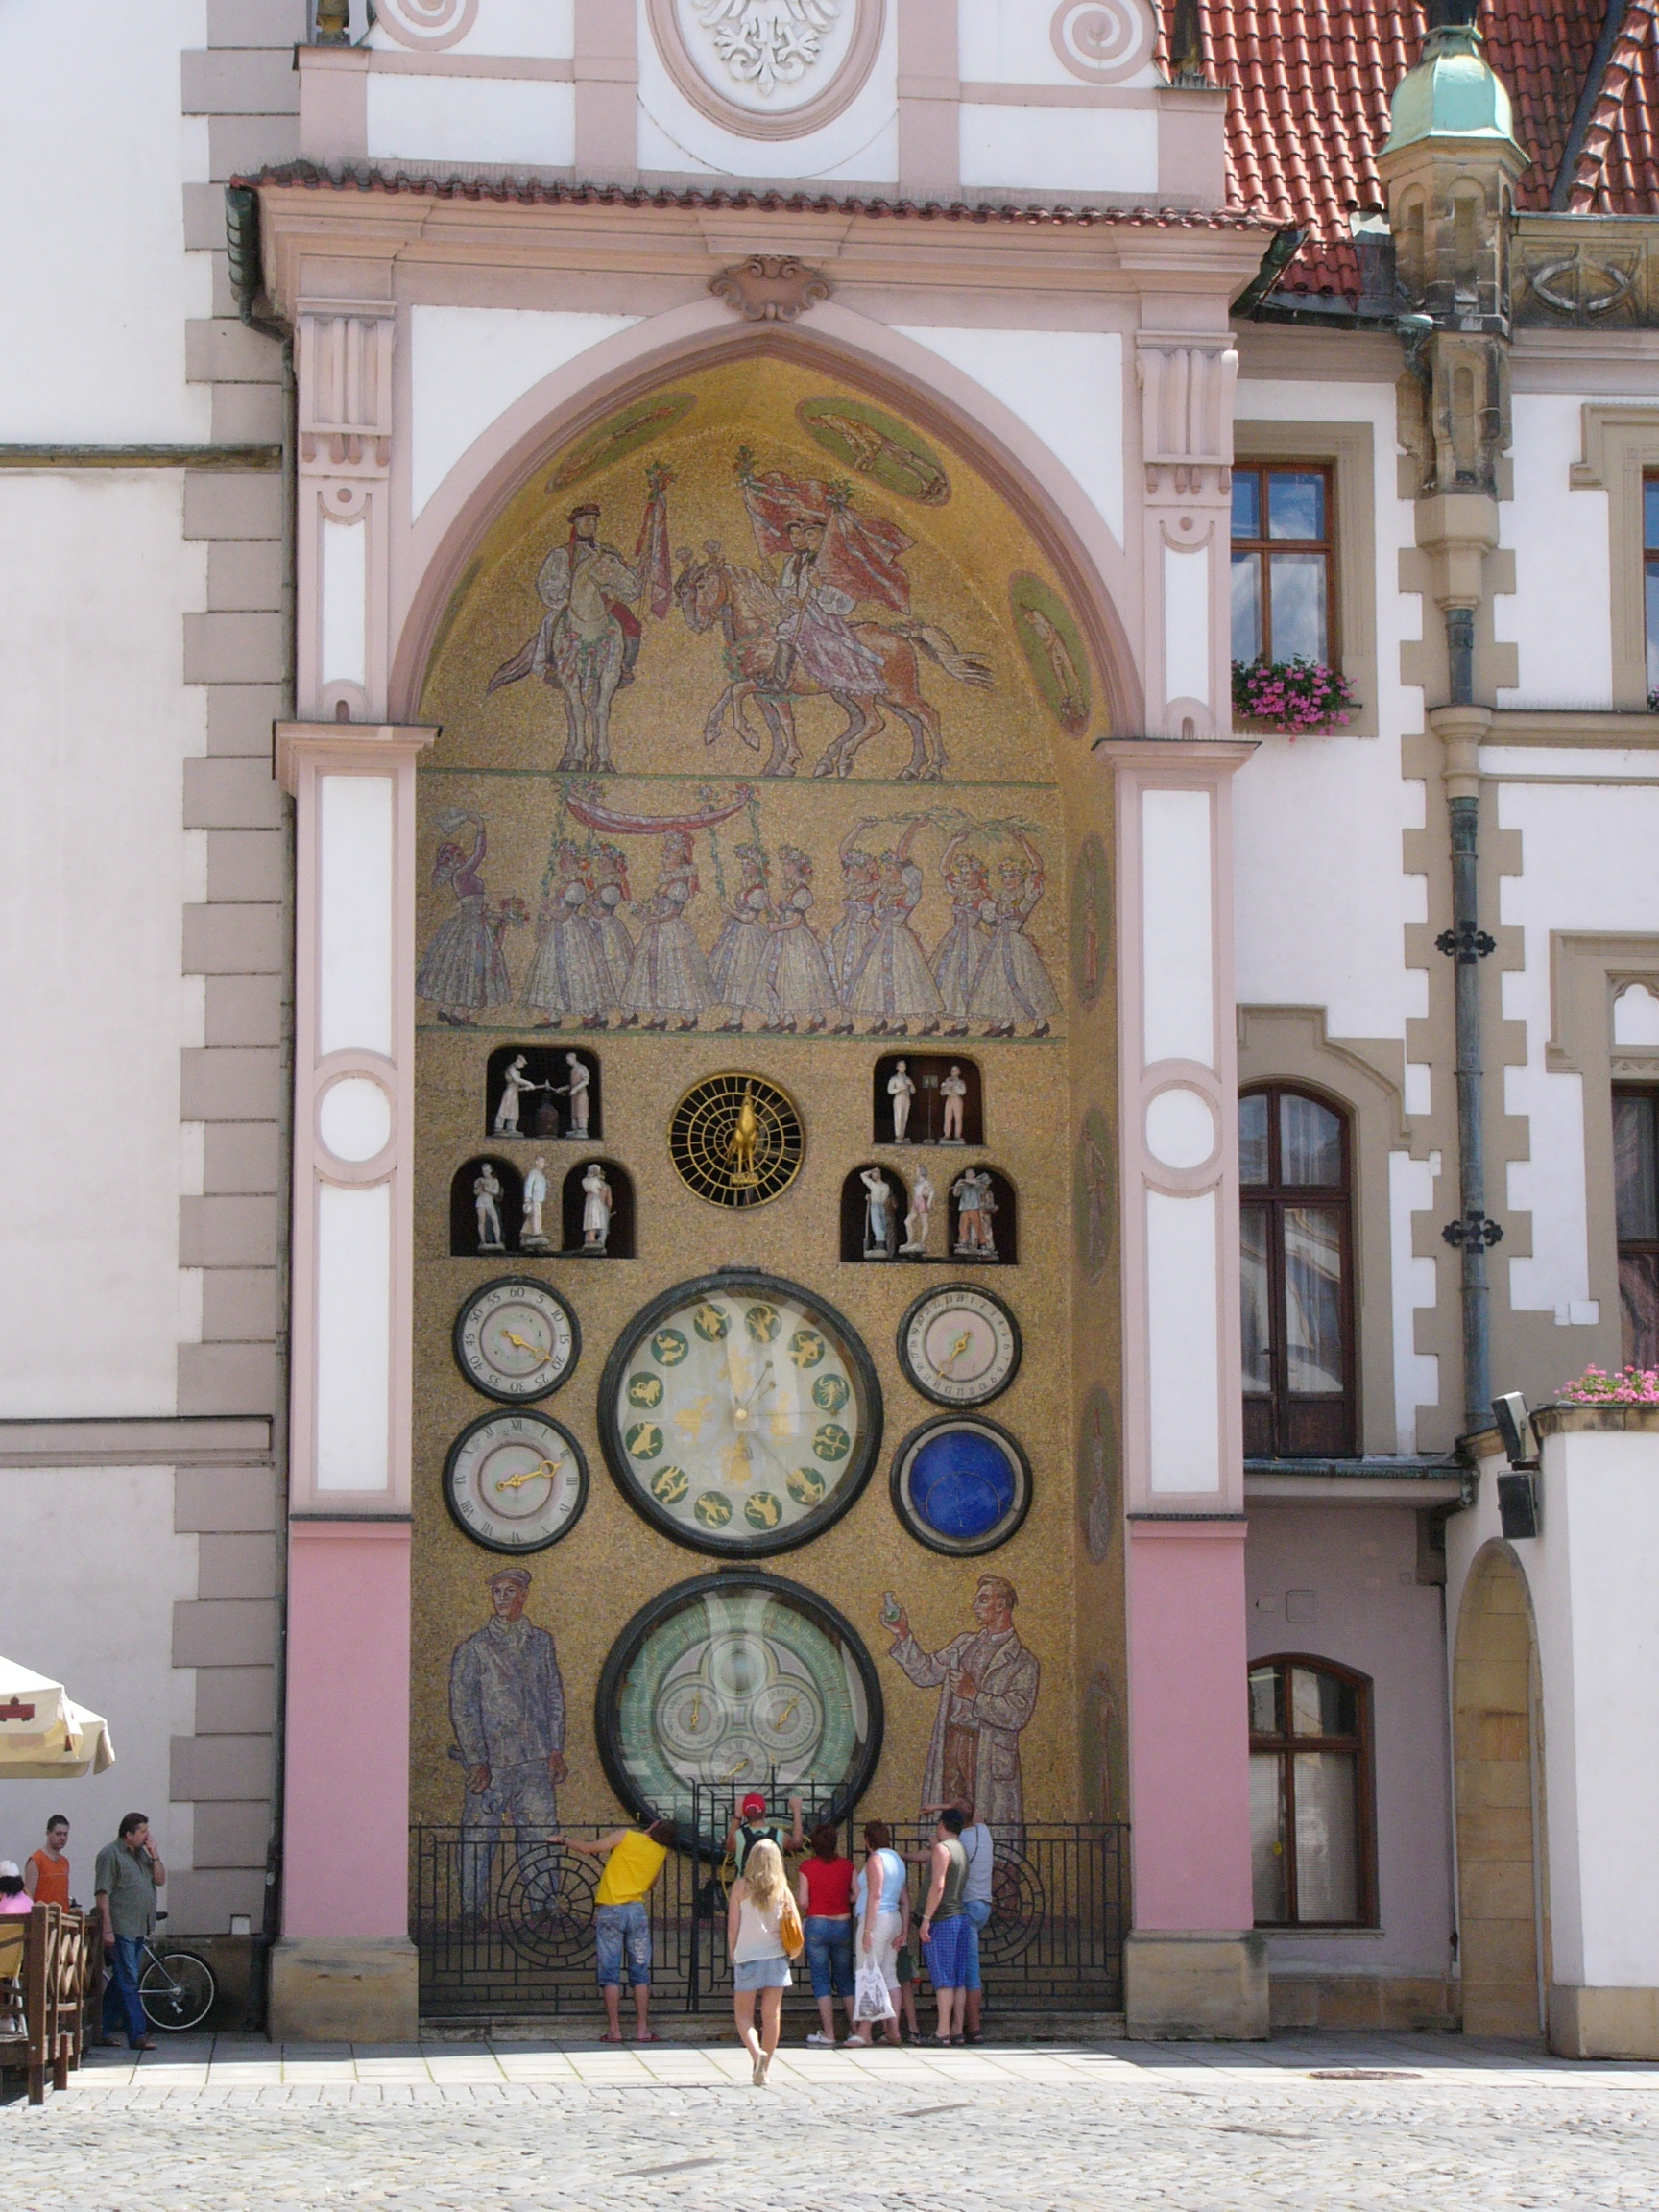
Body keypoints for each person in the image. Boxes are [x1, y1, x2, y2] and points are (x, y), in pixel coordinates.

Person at [448, 1568, 567, 1926]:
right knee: (478, 1837)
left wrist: (556, 1749)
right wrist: (477, 1760)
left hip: (534, 1759)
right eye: (496, 1591)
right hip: (493, 1764)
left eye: (509, 1590)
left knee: (539, 1834)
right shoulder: (475, 1648)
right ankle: (471, 1911)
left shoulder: (541, 1642)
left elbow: (553, 1697)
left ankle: (544, 1907)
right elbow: (463, 1708)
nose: (501, 1597)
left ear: (523, 1596)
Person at [885, 1575, 1040, 1826]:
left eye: (982, 1600)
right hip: (952, 1741)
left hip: (985, 1750)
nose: (974, 1607)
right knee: (949, 1817)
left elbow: (1017, 1714)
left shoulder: (1023, 1662)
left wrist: (974, 1695)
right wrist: (903, 1634)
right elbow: (927, 1673)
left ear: (1000, 1605)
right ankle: (947, 1860)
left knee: (985, 1823)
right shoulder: (964, 1644)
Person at [553, 1817, 677, 2045]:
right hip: (636, 1912)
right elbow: (650, 1884)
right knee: (640, 1973)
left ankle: (615, 2031)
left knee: (610, 1971)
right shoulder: (660, 1852)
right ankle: (642, 2030)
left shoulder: (627, 1836)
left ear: (653, 1825)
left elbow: (589, 1848)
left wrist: (564, 1839)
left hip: (611, 1910)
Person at [729, 1838, 799, 2087]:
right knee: (772, 2016)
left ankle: (756, 2053)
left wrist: (733, 1953)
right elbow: (796, 1926)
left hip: (748, 1956)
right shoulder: (783, 1890)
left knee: (743, 2015)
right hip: (776, 1956)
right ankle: (765, 2070)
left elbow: (733, 1926)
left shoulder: (740, 1887)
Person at [95, 1813, 165, 2052]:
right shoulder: (110, 1855)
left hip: (140, 1926)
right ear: (128, 1835)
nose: (147, 1836)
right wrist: (107, 1931)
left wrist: (154, 1854)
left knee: (121, 1981)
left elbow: (160, 1880)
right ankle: (137, 2033)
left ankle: (101, 2029)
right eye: (142, 1832)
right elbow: (102, 1894)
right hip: (122, 1927)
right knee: (129, 1982)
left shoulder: (143, 1856)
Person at [847, 1819, 908, 2048]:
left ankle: (864, 2031)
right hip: (893, 1918)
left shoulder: (875, 1859)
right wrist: (905, 1929)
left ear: (867, 1840)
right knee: (889, 1974)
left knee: (868, 1971)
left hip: (877, 1919)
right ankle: (893, 2030)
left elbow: (875, 1894)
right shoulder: (897, 1860)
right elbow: (904, 1898)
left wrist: (868, 1929)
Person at [796, 1821, 855, 2046]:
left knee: (821, 1979)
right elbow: (856, 1895)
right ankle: (855, 2029)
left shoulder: (806, 1867)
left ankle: (829, 2033)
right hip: (842, 1924)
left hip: (817, 1925)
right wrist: (840, 1898)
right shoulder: (847, 1866)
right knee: (844, 1979)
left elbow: (803, 1901)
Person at [917, 1806, 971, 2044]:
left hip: (943, 1919)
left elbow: (937, 1886)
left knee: (943, 1978)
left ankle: (942, 2031)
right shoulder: (961, 1849)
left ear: (941, 1826)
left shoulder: (942, 1849)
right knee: (958, 1979)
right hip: (960, 1917)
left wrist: (926, 1919)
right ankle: (957, 2028)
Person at [722, 1791, 805, 1877]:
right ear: (765, 1812)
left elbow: (728, 1845)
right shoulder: (779, 1835)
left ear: (745, 1814)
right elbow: (797, 1843)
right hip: (772, 1887)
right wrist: (796, 1810)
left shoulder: (737, 1836)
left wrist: (738, 1816)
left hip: (746, 1887)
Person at [24, 1815, 71, 1908]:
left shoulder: (65, 1862)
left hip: (63, 1918)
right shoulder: (36, 1860)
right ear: (48, 1833)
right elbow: (28, 1897)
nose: (63, 1838)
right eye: (58, 1833)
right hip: (43, 1918)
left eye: (65, 1834)